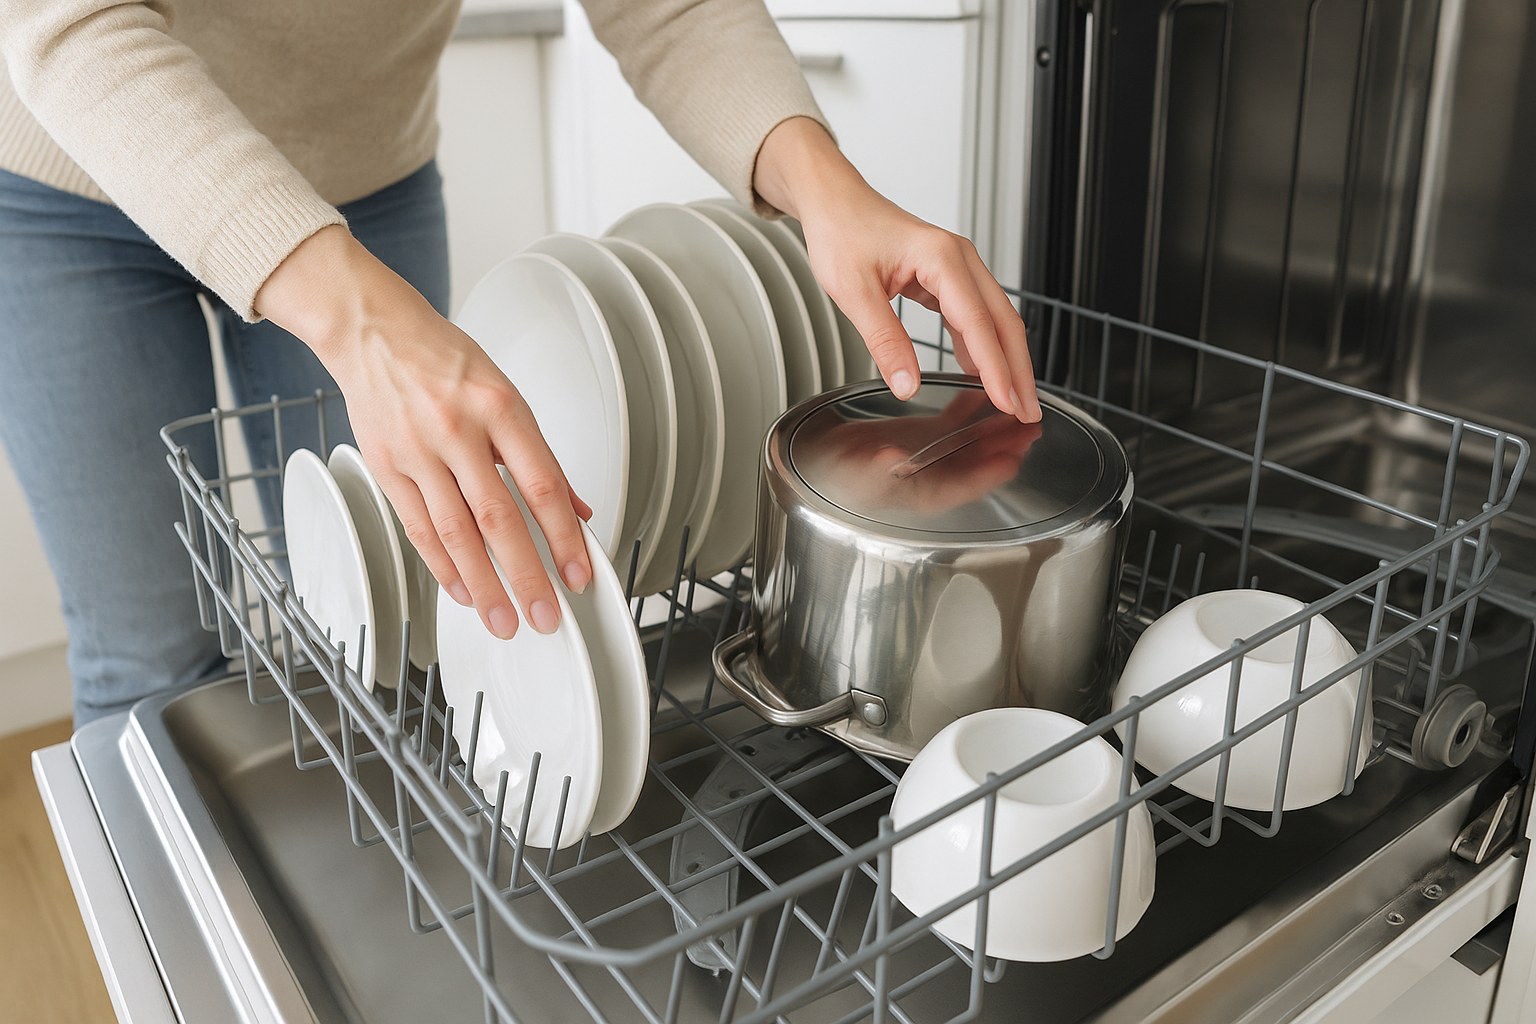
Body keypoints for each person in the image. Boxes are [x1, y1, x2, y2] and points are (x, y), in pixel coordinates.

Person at [0, 0, 1041, 725]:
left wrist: (824, 182)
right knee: (149, 668)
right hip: (62, 179)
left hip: (364, 172)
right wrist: (360, 322)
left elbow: (670, 8)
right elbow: (66, 18)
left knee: (387, 624)